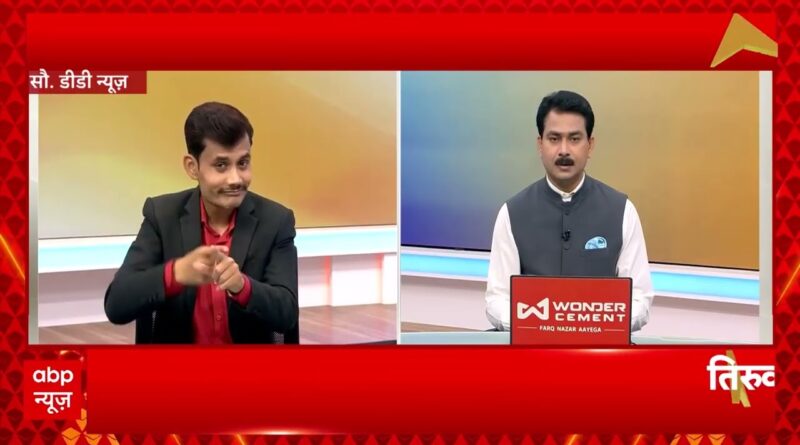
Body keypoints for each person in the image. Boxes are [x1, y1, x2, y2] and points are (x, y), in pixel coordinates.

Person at [104, 101, 299, 344]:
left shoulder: (276, 221)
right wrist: (175, 273)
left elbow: (287, 314)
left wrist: (242, 287)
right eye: (221, 165)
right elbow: (117, 305)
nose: (235, 179)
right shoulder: (162, 216)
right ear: (192, 167)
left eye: (243, 163)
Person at [485, 90, 654, 332]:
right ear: (540, 145)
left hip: (599, 345)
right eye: (554, 139)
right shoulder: (512, 213)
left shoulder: (622, 211)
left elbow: (640, 300)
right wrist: (543, 325)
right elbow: (497, 300)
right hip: (533, 346)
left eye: (574, 139)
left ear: (590, 145)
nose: (564, 150)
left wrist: (589, 324)